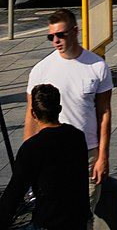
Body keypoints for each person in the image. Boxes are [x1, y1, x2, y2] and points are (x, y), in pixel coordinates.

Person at [26, 9, 110, 187]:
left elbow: (104, 113)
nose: (56, 41)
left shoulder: (97, 66)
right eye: (51, 37)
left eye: (61, 35)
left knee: (86, 210)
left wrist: (102, 156)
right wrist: (28, 156)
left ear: (75, 31)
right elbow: (31, 115)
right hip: (51, 152)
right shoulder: (41, 70)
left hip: (86, 152)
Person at [0, 84, 90, 229]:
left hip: (49, 221)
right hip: (77, 218)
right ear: (59, 109)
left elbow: (15, 191)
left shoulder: (32, 147)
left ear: (34, 114)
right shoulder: (77, 136)